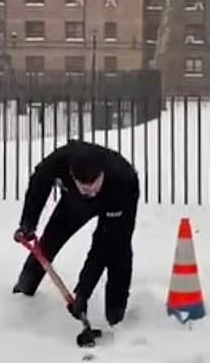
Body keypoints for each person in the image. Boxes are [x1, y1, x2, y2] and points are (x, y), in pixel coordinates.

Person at [12, 139, 140, 327]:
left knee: (117, 251)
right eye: (85, 188)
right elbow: (38, 185)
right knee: (51, 239)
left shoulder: (121, 179)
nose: (92, 192)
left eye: (94, 185)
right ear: (71, 176)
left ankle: (116, 315)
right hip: (75, 200)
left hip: (117, 199)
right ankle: (24, 291)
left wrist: (82, 292)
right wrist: (28, 224)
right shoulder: (58, 163)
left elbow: (102, 245)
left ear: (102, 174)